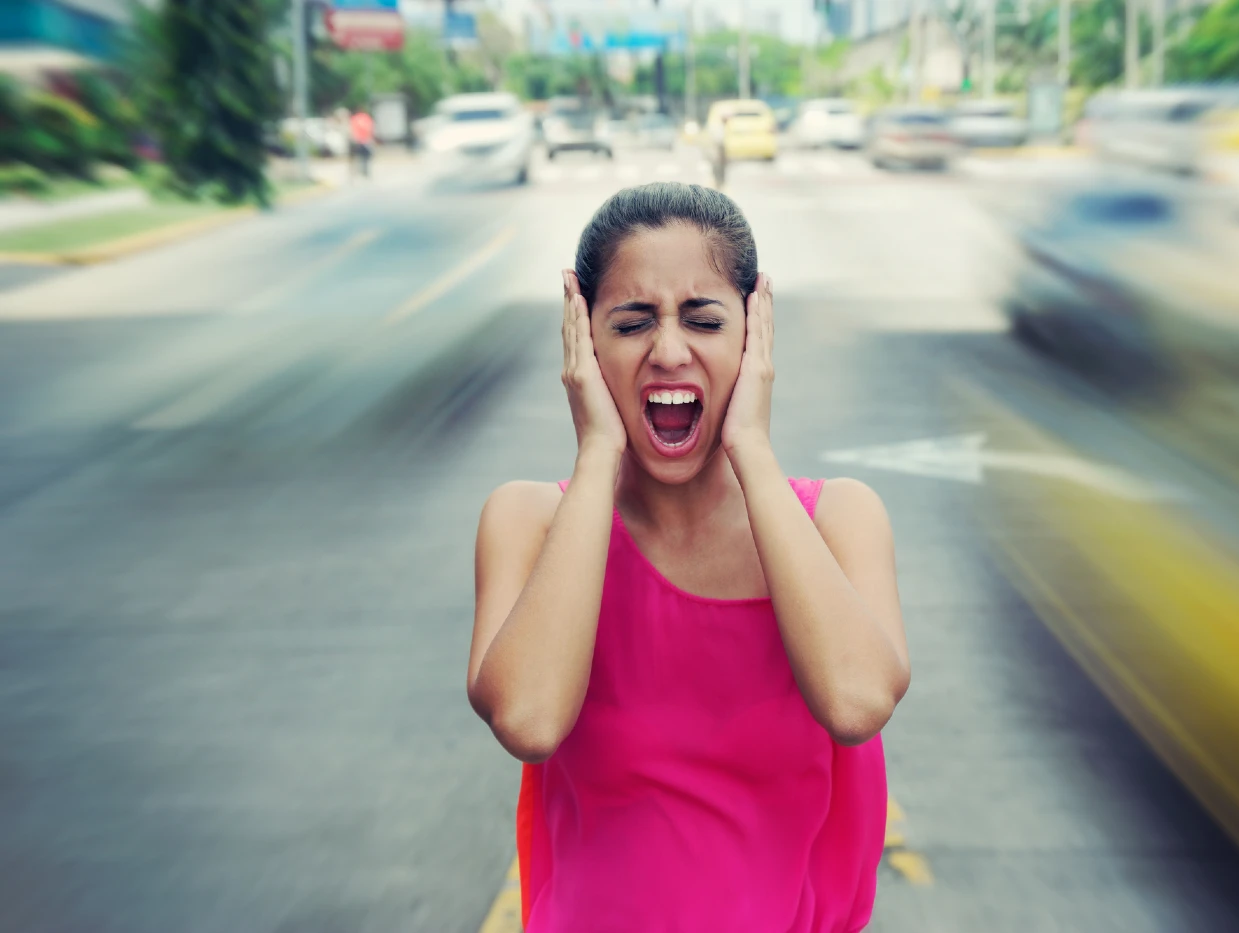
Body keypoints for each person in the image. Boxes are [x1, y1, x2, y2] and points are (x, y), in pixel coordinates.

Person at [468, 183, 910, 931]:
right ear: (582, 337)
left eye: (704, 319)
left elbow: (857, 701)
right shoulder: (530, 520)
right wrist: (600, 450)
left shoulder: (839, 518)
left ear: (755, 331)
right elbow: (531, 719)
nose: (668, 350)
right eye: (632, 322)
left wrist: (752, 450)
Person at [349, 108, 374, 179]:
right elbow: (370, 128)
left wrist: (355, 138)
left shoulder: (354, 119)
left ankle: (357, 172)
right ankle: (365, 171)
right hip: (366, 140)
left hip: (357, 141)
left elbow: (352, 130)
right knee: (366, 157)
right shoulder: (367, 118)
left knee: (357, 157)